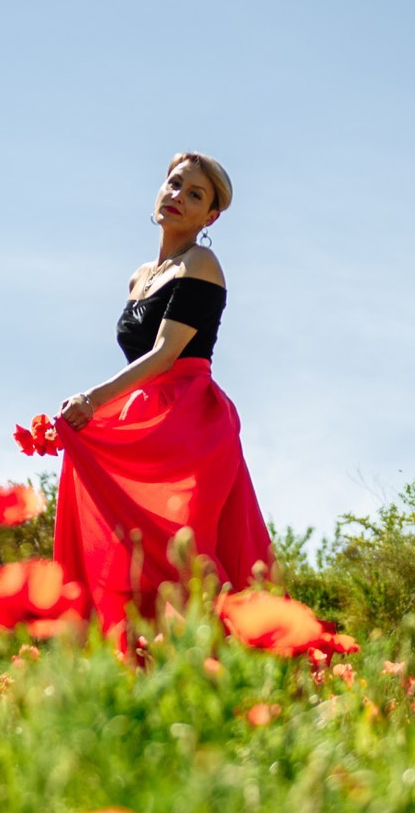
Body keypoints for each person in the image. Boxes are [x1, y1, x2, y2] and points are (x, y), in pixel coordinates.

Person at [52, 151, 274, 632]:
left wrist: (92, 401)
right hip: (145, 417)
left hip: (190, 419)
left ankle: (218, 666)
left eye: (195, 194)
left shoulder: (202, 262)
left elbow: (164, 355)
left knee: (186, 553)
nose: (178, 197)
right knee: (130, 549)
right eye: (174, 184)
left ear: (210, 217)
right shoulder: (139, 277)